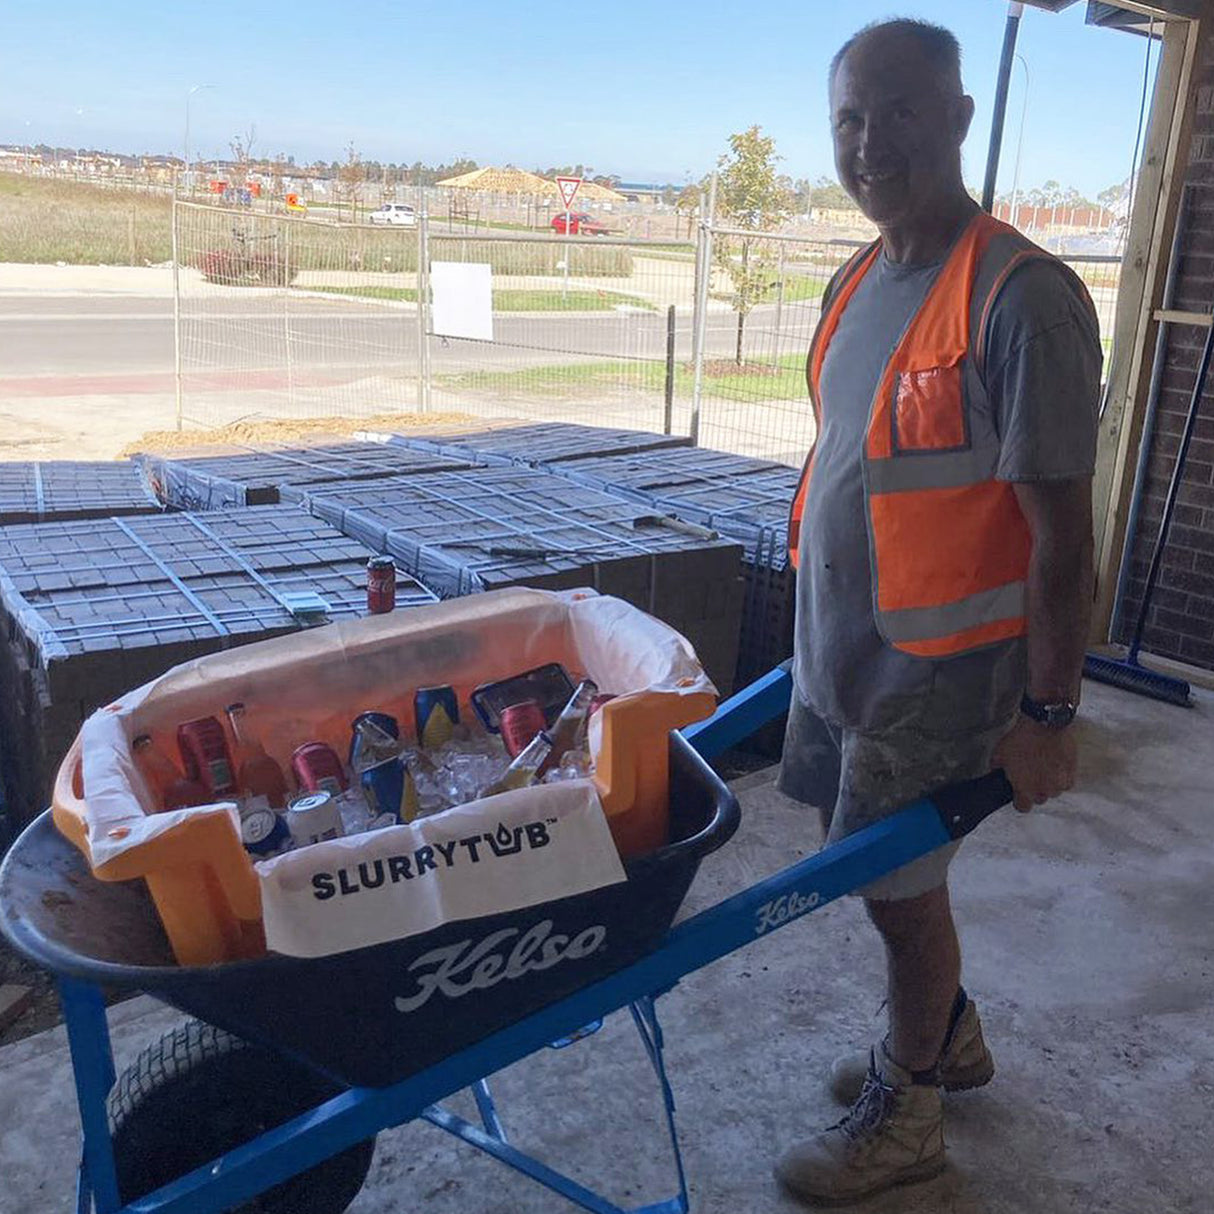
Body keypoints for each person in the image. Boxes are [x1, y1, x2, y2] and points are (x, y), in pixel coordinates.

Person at [774, 18, 1100, 1206]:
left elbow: (1063, 539)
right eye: (849, 120)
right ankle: (946, 1038)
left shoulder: (1022, 298)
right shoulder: (856, 277)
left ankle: (908, 1109)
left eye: (900, 112)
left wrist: (1048, 712)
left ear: (958, 119)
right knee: (880, 878)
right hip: (847, 657)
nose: (870, 145)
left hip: (944, 676)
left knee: (899, 894)